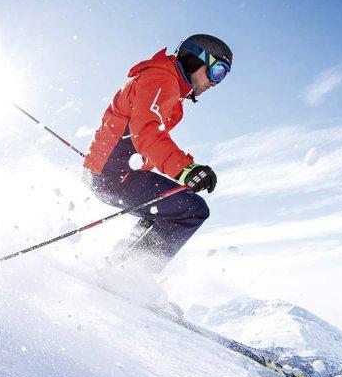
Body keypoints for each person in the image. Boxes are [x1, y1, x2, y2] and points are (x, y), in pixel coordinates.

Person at [83, 34, 231, 271]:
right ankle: (133, 274)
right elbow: (147, 132)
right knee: (193, 210)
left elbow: (138, 132)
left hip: (114, 172)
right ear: (196, 59)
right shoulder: (161, 79)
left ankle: (116, 266)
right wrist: (185, 170)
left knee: (167, 208)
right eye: (217, 72)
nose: (215, 83)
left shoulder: (167, 83)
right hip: (113, 176)